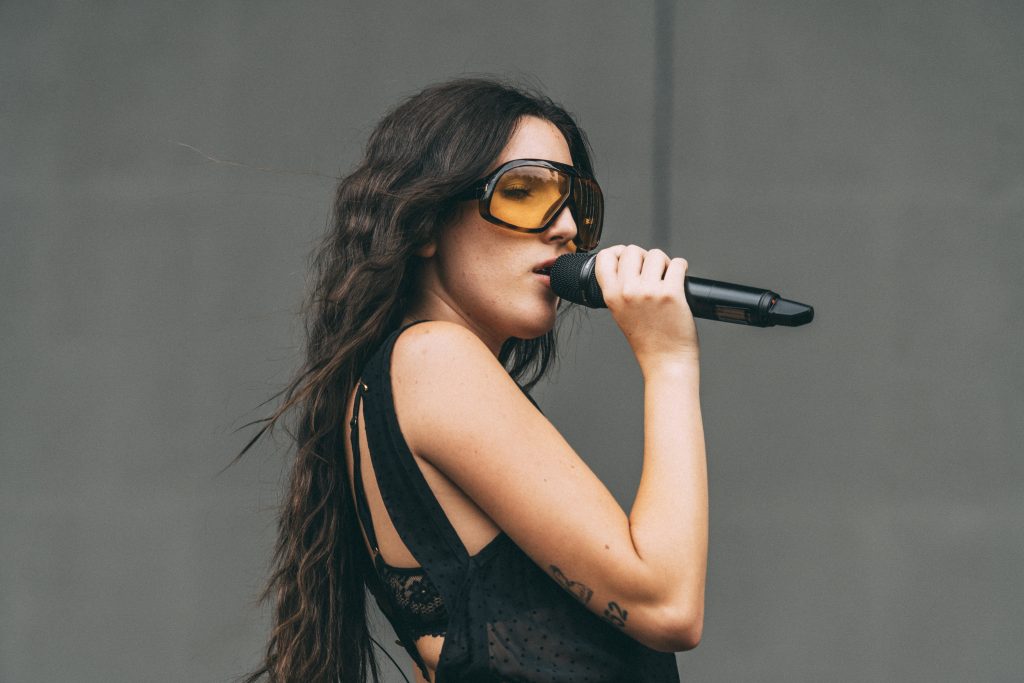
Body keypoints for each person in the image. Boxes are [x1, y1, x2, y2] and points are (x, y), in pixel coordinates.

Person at [238, 77, 708, 683]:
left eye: (577, 204)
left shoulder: (400, 378)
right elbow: (667, 604)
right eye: (524, 190)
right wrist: (669, 362)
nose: (566, 227)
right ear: (428, 224)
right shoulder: (434, 359)